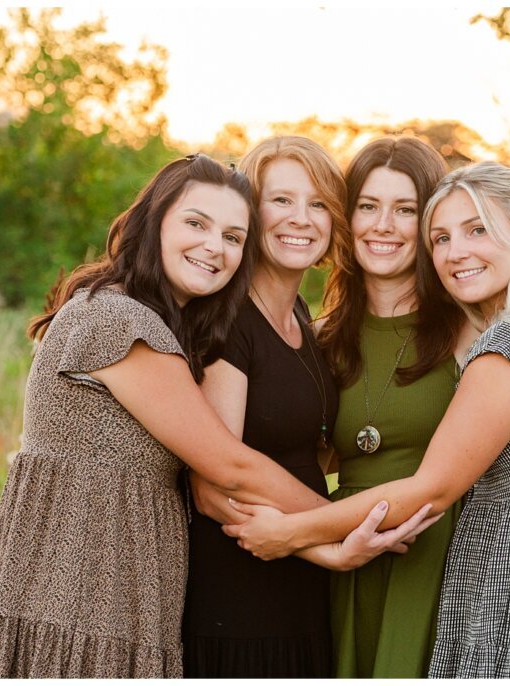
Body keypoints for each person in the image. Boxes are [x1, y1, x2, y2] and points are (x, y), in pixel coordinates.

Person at [0, 153, 432, 679]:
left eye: (232, 236)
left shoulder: (180, 323)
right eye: (196, 223)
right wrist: (347, 528)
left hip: (130, 577)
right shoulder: (119, 321)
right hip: (78, 579)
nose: (214, 246)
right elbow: (228, 467)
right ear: (154, 221)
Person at [225, 160, 510, 678]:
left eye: (477, 230)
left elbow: (434, 487)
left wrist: (290, 533)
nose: (456, 252)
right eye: (442, 237)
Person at [181, 136, 347, 677]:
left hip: (303, 584)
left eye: (318, 204)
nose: (301, 218)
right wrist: (337, 533)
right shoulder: (226, 320)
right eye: (281, 200)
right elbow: (216, 480)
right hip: (241, 594)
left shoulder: (301, 314)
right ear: (251, 213)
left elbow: (311, 448)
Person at [316, 137, 471, 677]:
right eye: (368, 206)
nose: (383, 225)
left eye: (405, 209)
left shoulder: (470, 333)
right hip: (345, 556)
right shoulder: (321, 340)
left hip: (444, 561)